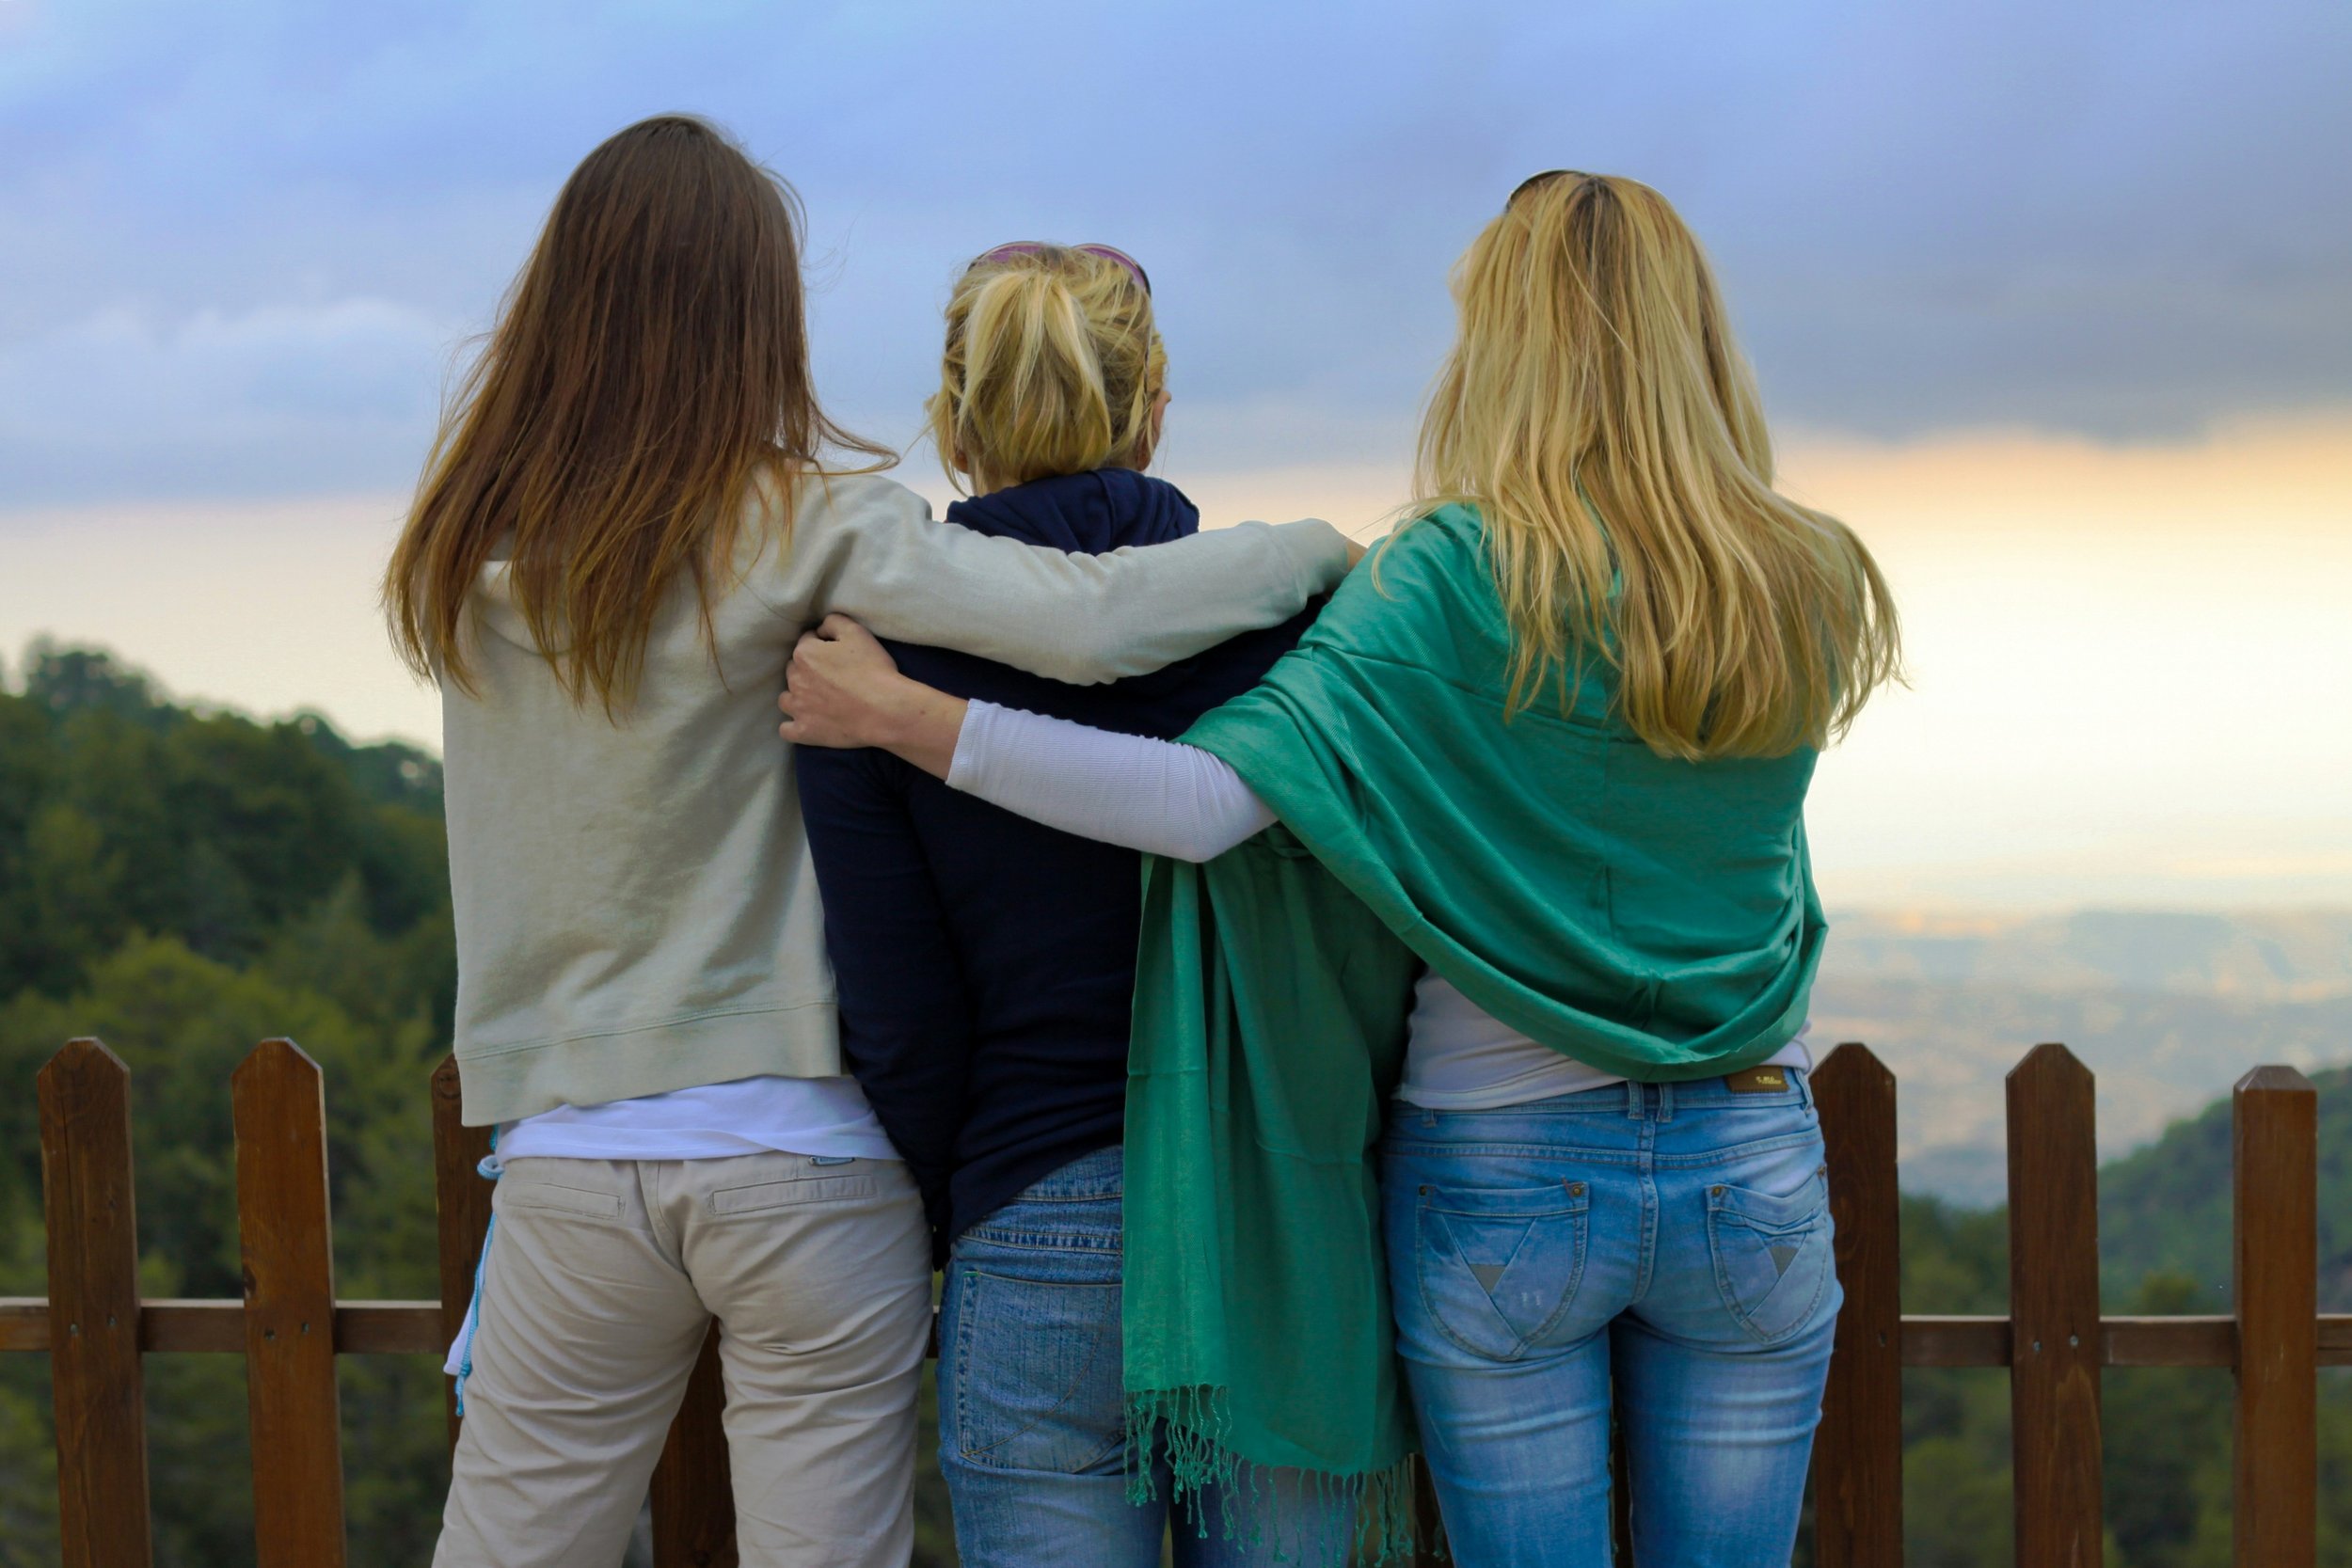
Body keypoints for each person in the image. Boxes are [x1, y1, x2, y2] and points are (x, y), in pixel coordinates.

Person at [778, 171, 1901, 1567]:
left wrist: (911, 719)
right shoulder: (1810, 573)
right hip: (1732, 1144)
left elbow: (1192, 810)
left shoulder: (1448, 575)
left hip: (1476, 1149)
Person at [384, 118, 1358, 1568]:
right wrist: (1319, 551)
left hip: (571, 1151)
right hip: (803, 1149)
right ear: (757, 319)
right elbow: (1091, 621)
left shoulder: (464, 554)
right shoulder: (803, 524)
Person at [795, 240, 1349, 1566]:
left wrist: (973, 1191)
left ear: (953, 424)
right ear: (1154, 409)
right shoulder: (1295, 629)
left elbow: (899, 1014)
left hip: (1033, 1201)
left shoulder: (870, 667)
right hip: (1272, 1220)